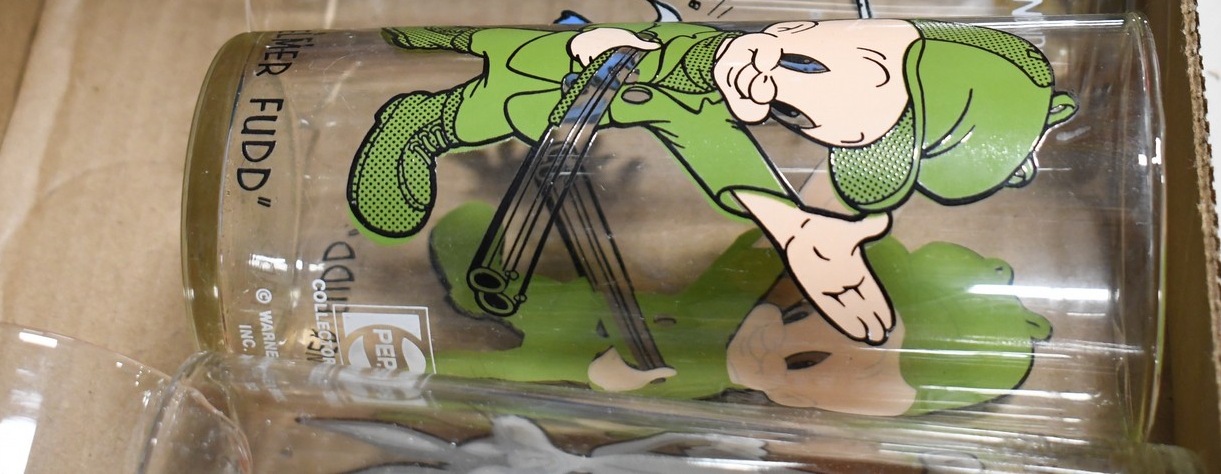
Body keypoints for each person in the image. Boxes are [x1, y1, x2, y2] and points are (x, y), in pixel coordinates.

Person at [348, 18, 1075, 345]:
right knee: (495, 90)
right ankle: (426, 119)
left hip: (564, 108)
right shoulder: (703, 57)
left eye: (793, 115)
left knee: (502, 108)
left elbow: (723, 156)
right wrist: (597, 43)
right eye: (803, 60)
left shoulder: (709, 106)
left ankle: (430, 122)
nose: (764, 83)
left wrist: (795, 228)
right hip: (528, 66)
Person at [427, 202, 1052, 417]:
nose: (777, 363)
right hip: (591, 309)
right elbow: (754, 247)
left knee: (506, 371)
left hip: (594, 351)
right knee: (524, 313)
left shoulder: (720, 375)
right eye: (799, 321)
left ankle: (424, 356)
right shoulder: (741, 290)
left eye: (804, 381)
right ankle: (473, 291)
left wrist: (609, 378)